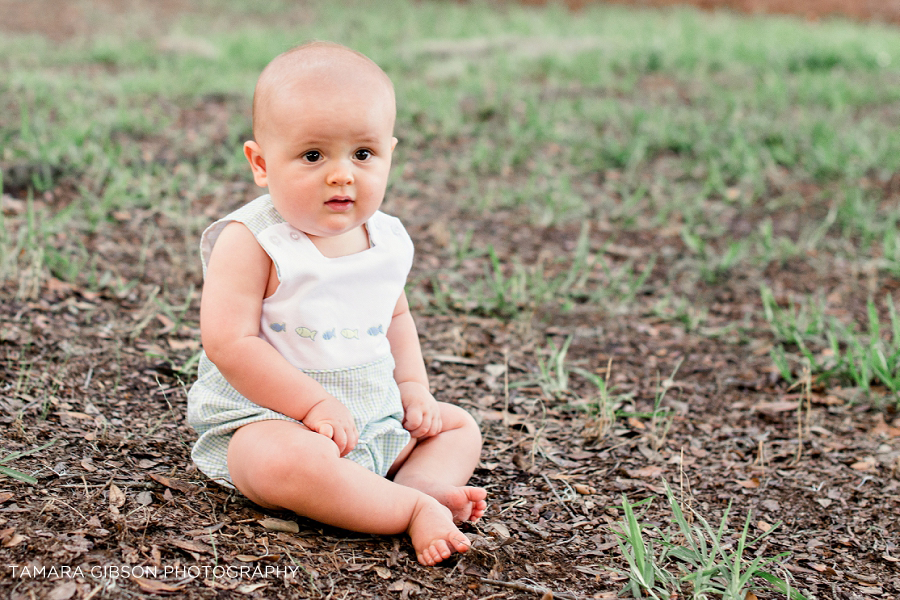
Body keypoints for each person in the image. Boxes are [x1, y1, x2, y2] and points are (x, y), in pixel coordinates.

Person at [186, 41, 487, 567]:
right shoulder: (253, 240)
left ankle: (420, 485)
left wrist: (414, 389)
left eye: (363, 154)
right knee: (277, 464)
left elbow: (394, 315)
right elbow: (229, 343)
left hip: (373, 414)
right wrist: (311, 406)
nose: (342, 173)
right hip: (275, 415)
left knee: (457, 426)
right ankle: (407, 509)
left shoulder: (385, 238)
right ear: (260, 162)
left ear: (390, 153)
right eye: (313, 155)